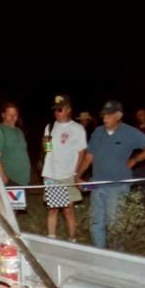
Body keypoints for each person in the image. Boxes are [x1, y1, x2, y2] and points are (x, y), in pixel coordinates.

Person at [75, 100, 145, 249]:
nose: (105, 117)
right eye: (103, 115)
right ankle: (99, 253)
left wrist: (134, 160)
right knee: (96, 222)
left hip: (118, 185)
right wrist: (78, 175)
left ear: (119, 115)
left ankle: (116, 255)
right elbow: (89, 157)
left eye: (109, 115)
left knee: (114, 223)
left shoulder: (129, 132)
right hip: (96, 184)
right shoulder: (98, 132)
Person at [42, 95, 87, 241]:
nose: (56, 112)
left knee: (68, 210)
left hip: (68, 175)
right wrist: (45, 143)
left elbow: (81, 152)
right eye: (55, 110)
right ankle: (51, 240)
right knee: (53, 209)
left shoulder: (77, 128)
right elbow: (47, 150)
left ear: (68, 109)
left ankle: (72, 241)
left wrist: (77, 173)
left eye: (60, 109)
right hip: (52, 174)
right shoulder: (50, 126)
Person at [0, 102, 31, 187]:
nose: (12, 117)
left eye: (15, 114)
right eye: (9, 114)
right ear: (3, 115)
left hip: (23, 181)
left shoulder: (19, 132)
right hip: (10, 181)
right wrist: (4, 179)